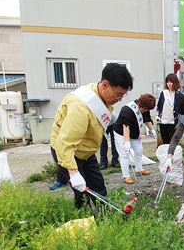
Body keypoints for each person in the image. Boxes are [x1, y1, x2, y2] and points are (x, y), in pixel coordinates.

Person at [51, 63, 133, 209]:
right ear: (105, 85)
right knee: (81, 192)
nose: (120, 99)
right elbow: (65, 144)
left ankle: (104, 217)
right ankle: (84, 222)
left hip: (86, 151)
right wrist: (74, 173)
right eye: (118, 94)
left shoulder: (98, 94)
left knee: (98, 186)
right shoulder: (80, 108)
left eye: (123, 95)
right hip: (68, 151)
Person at [113, 94, 157, 184]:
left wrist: (152, 129)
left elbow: (147, 119)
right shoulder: (127, 110)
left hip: (134, 133)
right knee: (124, 154)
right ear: (140, 104)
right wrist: (127, 142)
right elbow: (126, 126)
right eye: (145, 109)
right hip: (121, 133)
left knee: (139, 150)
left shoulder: (145, 108)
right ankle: (126, 176)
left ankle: (139, 170)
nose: (145, 111)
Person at [157, 73, 183, 144]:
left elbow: (181, 109)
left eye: (171, 82)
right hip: (163, 121)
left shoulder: (179, 95)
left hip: (173, 121)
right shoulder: (163, 93)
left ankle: (172, 154)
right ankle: (166, 154)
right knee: (165, 141)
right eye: (168, 82)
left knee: (173, 141)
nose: (169, 84)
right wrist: (158, 115)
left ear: (175, 82)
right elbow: (159, 106)